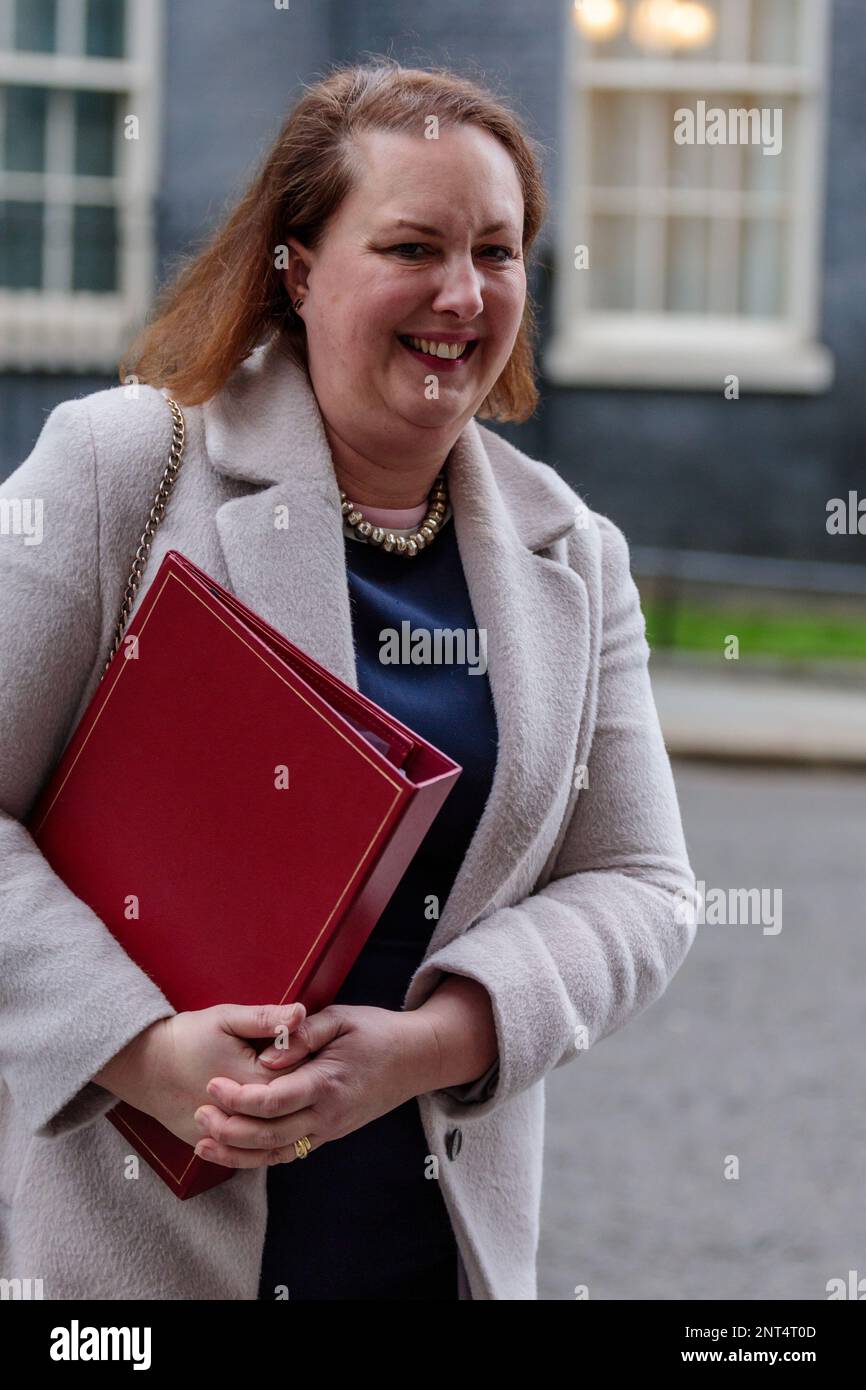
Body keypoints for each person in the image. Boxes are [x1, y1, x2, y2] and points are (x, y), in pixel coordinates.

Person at [0, 58, 699, 1301]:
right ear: (299, 267)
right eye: (412, 246)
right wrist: (143, 1050)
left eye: (497, 251)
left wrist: (432, 1045)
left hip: (430, 1252)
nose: (460, 293)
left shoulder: (573, 553)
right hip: (141, 1258)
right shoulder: (119, 464)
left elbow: (640, 884)